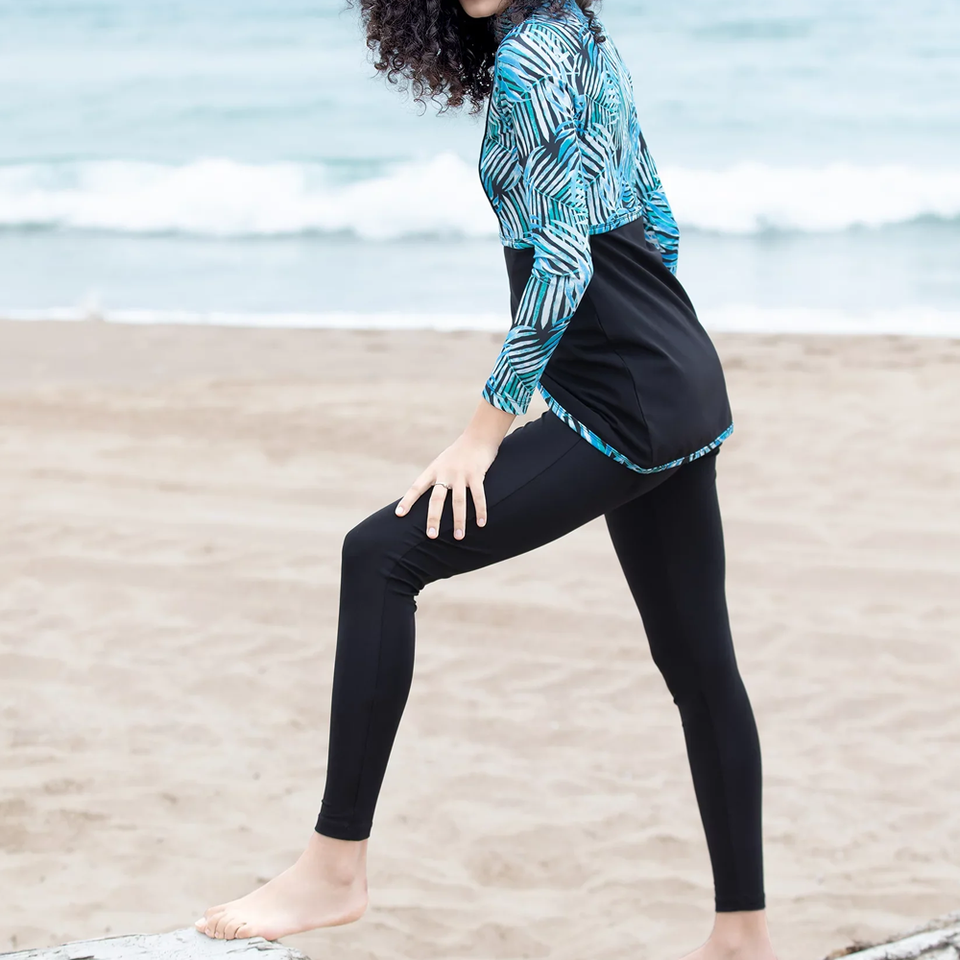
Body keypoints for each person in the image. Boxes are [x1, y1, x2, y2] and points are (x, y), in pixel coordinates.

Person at [196, 1, 778, 957]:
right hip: (682, 380)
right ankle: (743, 936)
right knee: (701, 667)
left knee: (379, 556)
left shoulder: (529, 61)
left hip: (621, 405)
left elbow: (561, 262)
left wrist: (482, 433)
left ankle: (334, 869)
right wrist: (656, 348)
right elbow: (659, 216)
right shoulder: (579, 32)